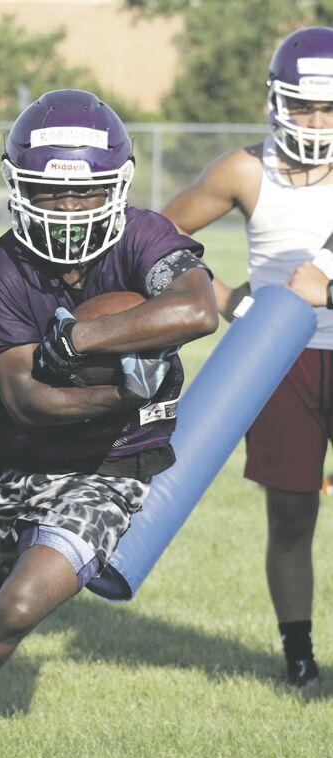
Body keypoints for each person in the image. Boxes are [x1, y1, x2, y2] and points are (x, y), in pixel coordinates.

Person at [0, 90, 217, 758]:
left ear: (115, 188)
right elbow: (26, 399)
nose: (66, 210)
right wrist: (123, 391)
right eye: (48, 194)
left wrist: (82, 335)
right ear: (17, 188)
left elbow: (198, 309)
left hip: (111, 466)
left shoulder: (145, 237)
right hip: (11, 459)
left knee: (19, 605)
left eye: (84, 194)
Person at [163, 26, 333, 688]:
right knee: (290, 513)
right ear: (276, 102)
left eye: (328, 106)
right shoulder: (245, 169)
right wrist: (231, 299)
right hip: (279, 360)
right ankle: (299, 656)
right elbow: (157, 239)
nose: (316, 119)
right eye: (304, 104)